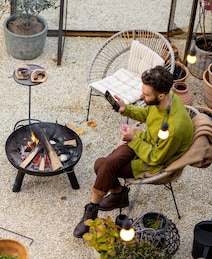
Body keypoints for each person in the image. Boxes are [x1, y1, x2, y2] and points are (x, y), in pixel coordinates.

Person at [73, 65, 194, 238]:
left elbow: (155, 158)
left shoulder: (173, 128)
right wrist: (125, 109)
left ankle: (93, 210)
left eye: (146, 95)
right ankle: (116, 196)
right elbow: (147, 113)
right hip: (145, 141)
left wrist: (133, 139)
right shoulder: (165, 98)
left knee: (104, 167)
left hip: (155, 160)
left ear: (161, 95)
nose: (141, 96)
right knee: (101, 164)